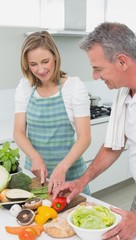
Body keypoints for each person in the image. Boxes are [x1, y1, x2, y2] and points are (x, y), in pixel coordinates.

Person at [53, 22, 136, 239]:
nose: (94, 76)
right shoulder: (124, 90)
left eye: (97, 68)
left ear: (121, 61)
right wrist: (81, 181)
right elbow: (113, 145)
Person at [13, 31, 91, 195]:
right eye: (33, 64)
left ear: (55, 57)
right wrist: (35, 157)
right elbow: (18, 132)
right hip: (35, 176)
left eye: (45, 61)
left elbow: (85, 138)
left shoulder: (74, 87)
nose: (40, 69)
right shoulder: (25, 87)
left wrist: (62, 167)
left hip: (70, 175)